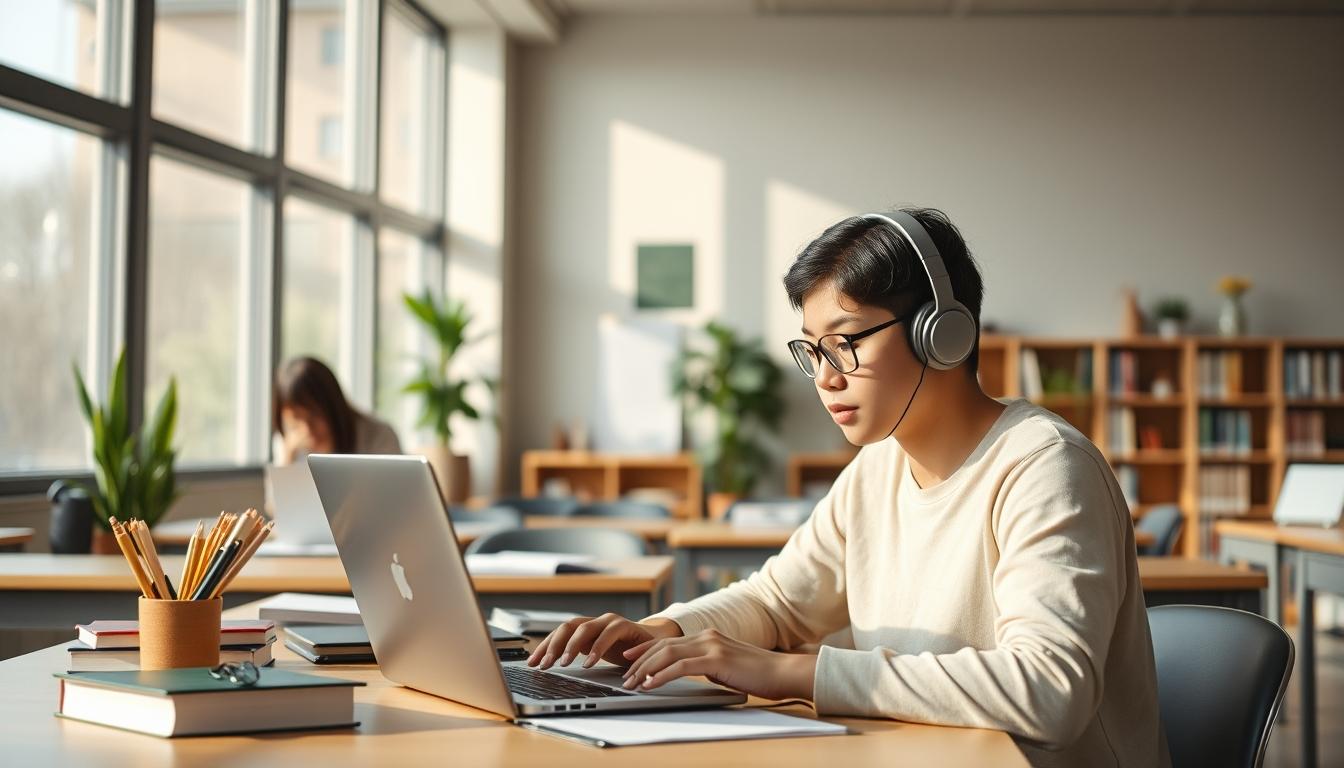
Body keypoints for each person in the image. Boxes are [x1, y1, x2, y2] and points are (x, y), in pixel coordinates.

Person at [527, 208, 1167, 766]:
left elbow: (1050, 692)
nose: (825, 378)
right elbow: (778, 604)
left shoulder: (1045, 467)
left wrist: (791, 673)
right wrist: (664, 632)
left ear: (941, 334)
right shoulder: (877, 468)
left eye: (845, 344)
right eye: (813, 351)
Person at [272, 356, 402, 464]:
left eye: (314, 416)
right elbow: (276, 495)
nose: (307, 429)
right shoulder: (287, 443)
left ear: (333, 409)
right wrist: (286, 460)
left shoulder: (378, 436)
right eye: (296, 420)